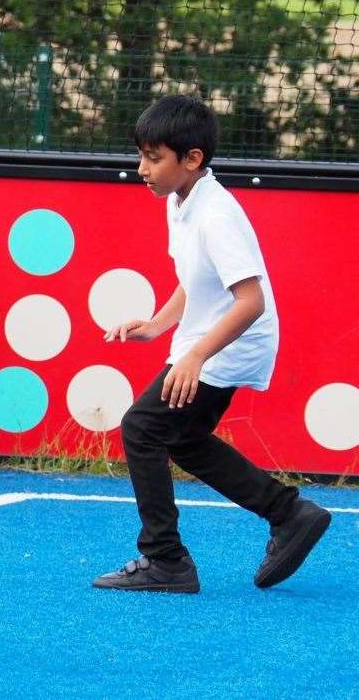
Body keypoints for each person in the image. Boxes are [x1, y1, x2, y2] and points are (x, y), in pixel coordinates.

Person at [93, 94, 330, 594]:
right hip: (209, 341)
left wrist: (196, 356)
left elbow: (250, 300)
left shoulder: (216, 214)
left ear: (193, 158)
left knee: (141, 426)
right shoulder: (183, 200)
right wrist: (157, 326)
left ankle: (166, 560)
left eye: (153, 158)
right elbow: (196, 278)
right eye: (141, 156)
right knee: (181, 437)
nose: (142, 169)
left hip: (230, 343)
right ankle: (290, 513)